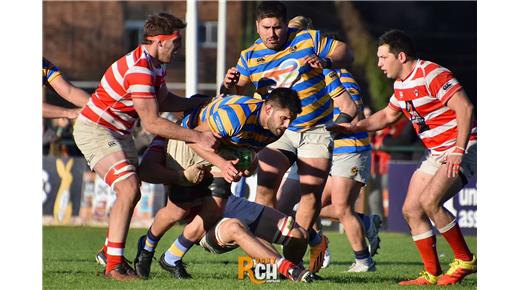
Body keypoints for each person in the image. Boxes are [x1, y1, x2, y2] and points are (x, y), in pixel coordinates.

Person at [73, 12, 218, 281]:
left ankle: (110, 252)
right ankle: (114, 266)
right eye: (177, 42)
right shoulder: (139, 69)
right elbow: (151, 123)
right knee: (128, 188)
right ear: (160, 41)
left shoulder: (154, 65)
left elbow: (162, 101)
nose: (179, 49)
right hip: (95, 129)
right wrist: (196, 137)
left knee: (132, 191)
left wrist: (195, 103)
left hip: (119, 132)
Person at [327, 29, 477, 285]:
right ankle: (432, 273)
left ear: (402, 56)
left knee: (430, 202)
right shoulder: (401, 86)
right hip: (437, 152)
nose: (378, 64)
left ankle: (464, 259)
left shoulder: (431, 74)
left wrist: (458, 150)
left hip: (463, 147)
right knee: (411, 210)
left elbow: (465, 107)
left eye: (383, 57)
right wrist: (353, 128)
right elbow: (386, 116)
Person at [221, 1, 353, 273]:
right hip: (277, 132)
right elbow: (238, 92)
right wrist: (229, 83)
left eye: (277, 27)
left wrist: (325, 61)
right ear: (258, 27)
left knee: (310, 196)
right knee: (265, 189)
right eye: (266, 28)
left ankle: (293, 262)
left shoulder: (307, 38)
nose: (272, 33)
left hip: (315, 128)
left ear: (286, 24)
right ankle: (269, 262)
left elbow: (345, 52)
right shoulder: (249, 56)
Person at [132, 88, 303, 279]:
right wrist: (221, 164)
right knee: (178, 210)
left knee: (216, 206)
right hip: (189, 142)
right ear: (269, 109)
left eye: (291, 120)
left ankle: (172, 257)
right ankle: (147, 248)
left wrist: (245, 166)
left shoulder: (273, 130)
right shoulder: (237, 115)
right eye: (284, 118)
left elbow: (248, 154)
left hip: (219, 149)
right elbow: (194, 138)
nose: (287, 125)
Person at [109, 130, 312, 282]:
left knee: (298, 235)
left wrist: (248, 164)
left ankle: (280, 273)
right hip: (199, 216)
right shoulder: (169, 138)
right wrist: (180, 176)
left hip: (229, 202)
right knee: (231, 226)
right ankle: (289, 271)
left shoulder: (223, 131)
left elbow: (247, 167)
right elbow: (146, 171)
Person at [276, 16, 379, 273]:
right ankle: (321, 241)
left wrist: (330, 130)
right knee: (304, 207)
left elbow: (353, 113)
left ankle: (364, 261)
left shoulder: (338, 75)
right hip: (316, 147)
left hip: (349, 148)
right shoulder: (300, 73)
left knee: (342, 208)